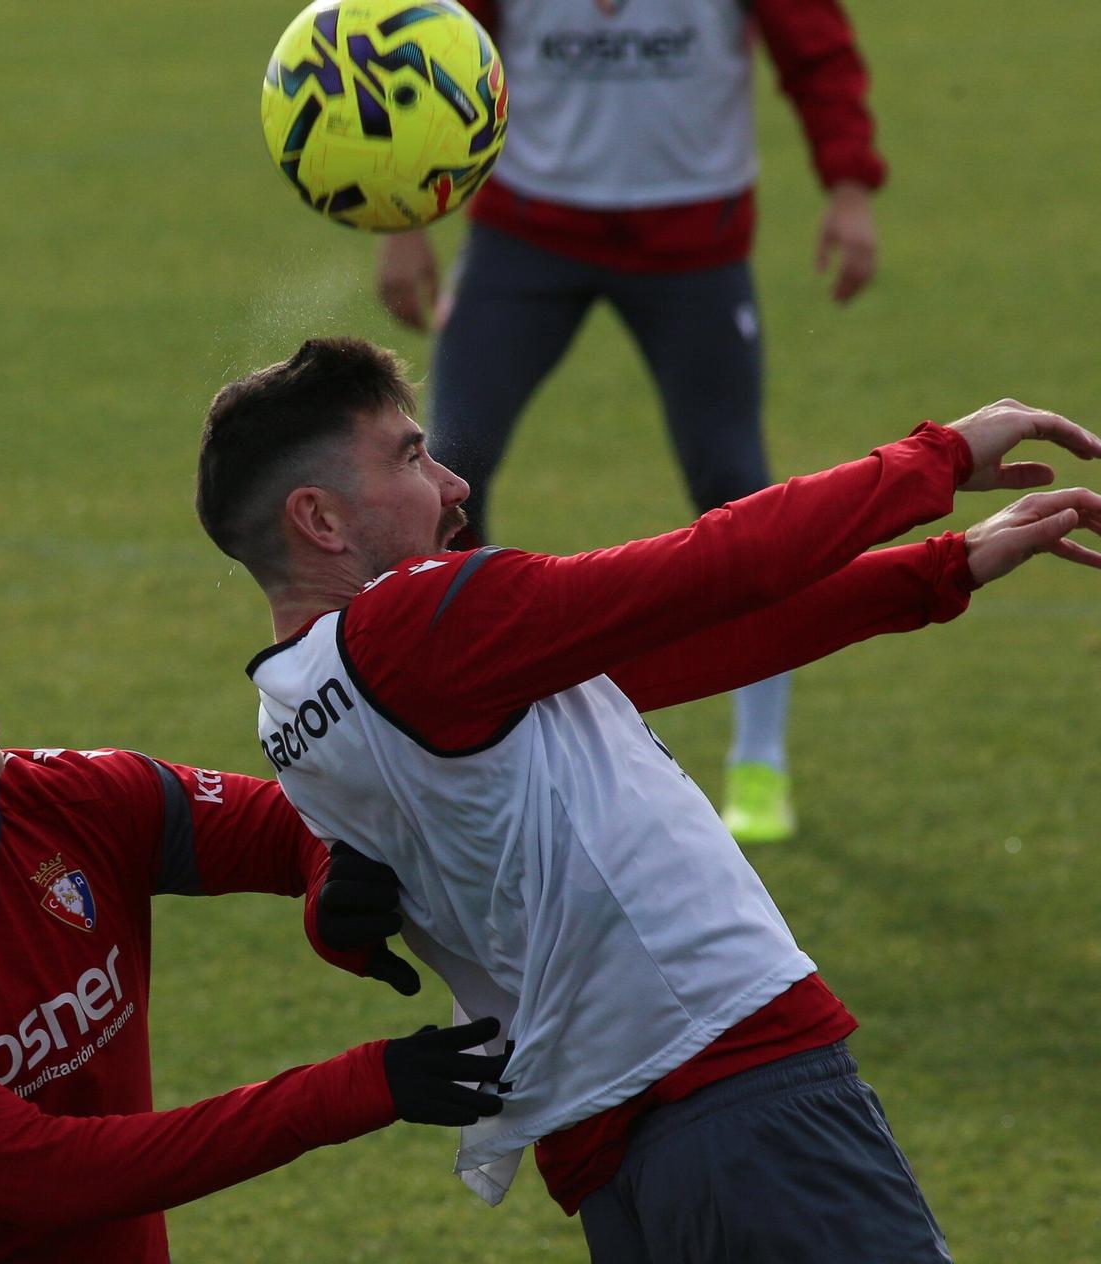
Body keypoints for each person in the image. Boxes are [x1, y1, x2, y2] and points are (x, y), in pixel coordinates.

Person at [194, 338, 1101, 1261]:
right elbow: (714, 563)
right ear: (320, 520)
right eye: (410, 458)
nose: (453, 485)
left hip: (617, 1152)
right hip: (735, 1083)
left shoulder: (293, 709)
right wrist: (938, 456)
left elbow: (681, 645)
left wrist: (941, 569)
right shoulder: (412, 622)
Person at [0, 545, 507, 1263]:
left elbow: (299, 829)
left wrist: (331, 896)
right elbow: (49, 1174)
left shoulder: (67, 798)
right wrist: (359, 1086)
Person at [375, 0, 889, 842]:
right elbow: (428, 57)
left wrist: (850, 185)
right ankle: (475, 728)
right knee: (446, 470)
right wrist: (404, 219)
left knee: (734, 483)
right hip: (525, 232)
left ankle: (759, 758)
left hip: (694, 240)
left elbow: (817, 52)